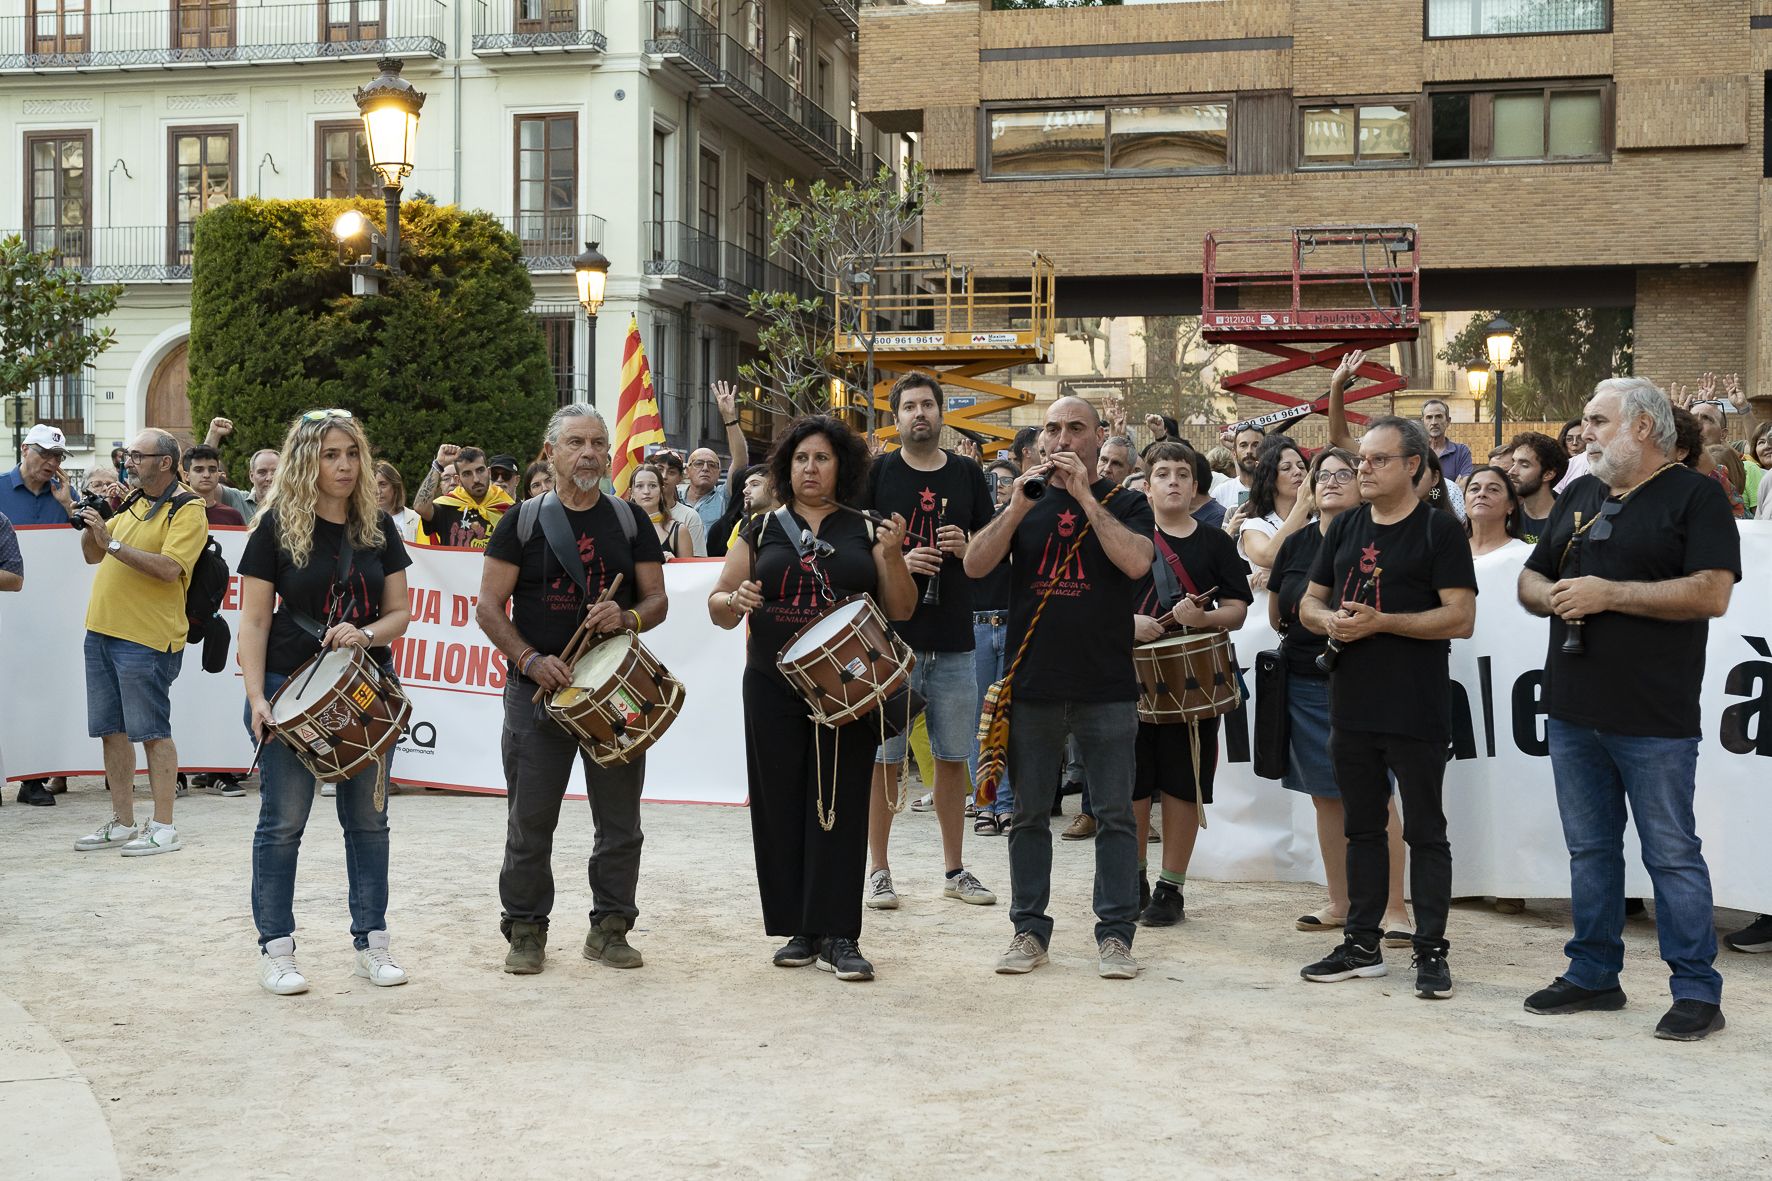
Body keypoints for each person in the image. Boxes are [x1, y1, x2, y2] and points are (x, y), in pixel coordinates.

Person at [1518, 378, 1739, 1041]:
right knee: (1590, 851)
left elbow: (1711, 592)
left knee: (1671, 853)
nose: (1582, 433)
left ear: (1641, 427)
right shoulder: (1580, 491)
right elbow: (1530, 574)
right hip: (1572, 706)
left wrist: (1608, 594)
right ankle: (1593, 973)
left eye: (1596, 420)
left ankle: (1697, 989)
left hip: (1653, 714)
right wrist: (1556, 595)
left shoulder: (1697, 496)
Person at [707, 414, 914, 982]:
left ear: (841, 466)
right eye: (801, 459)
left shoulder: (866, 529)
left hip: (847, 687)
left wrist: (894, 557)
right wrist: (736, 599)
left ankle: (840, 934)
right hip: (772, 686)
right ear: (786, 467)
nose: (810, 468)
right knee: (781, 803)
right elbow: (718, 607)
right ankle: (800, 927)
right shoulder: (759, 529)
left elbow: (901, 609)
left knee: (841, 801)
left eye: (822, 458)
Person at [963, 396, 1156, 980]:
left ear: (1100, 439)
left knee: (1116, 816)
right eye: (1053, 429)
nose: (1064, 438)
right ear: (1039, 441)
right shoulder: (1025, 500)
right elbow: (974, 564)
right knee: (1027, 815)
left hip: (1106, 684)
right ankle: (1028, 930)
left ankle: (1116, 936)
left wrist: (1084, 499)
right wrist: (1019, 507)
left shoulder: (1127, 503)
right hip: (1035, 684)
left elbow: (1137, 564)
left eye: (1077, 428)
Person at [476, 404, 669, 977]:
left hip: (612, 693)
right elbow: (488, 609)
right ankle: (526, 930)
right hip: (535, 690)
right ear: (551, 452)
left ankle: (611, 928)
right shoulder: (521, 522)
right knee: (530, 819)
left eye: (598, 443)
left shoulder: (630, 520)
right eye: (576, 443)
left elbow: (656, 600)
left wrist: (627, 617)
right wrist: (530, 659)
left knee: (620, 820)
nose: (589, 453)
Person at [1297, 416, 1476, 999]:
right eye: (1359, 461)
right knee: (1363, 829)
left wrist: (1382, 624)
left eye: (1377, 460)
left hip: (1416, 706)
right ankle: (1361, 943)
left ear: (1414, 467)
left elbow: (1460, 617)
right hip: (1350, 704)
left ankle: (1430, 950)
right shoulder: (1345, 526)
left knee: (1426, 831)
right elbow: (1307, 604)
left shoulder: (1439, 531)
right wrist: (1332, 623)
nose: (1361, 470)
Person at [238, 409, 414, 995]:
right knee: (283, 823)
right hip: (291, 691)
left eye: (351, 454)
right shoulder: (274, 530)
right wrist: (257, 698)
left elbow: (399, 615)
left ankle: (373, 941)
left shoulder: (378, 528)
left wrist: (365, 634)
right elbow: (256, 620)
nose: (343, 465)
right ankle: (276, 949)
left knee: (369, 822)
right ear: (305, 461)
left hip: (364, 690)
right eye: (330, 455)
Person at [862, 373, 998, 911]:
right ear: (896, 419)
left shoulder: (967, 473)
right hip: (890, 642)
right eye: (909, 406)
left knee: (951, 756)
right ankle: (878, 870)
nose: (920, 413)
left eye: (928, 405)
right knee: (883, 758)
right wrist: (895, 558)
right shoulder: (877, 472)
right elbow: (855, 546)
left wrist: (967, 545)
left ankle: (954, 868)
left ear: (942, 414)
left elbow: (991, 548)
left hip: (955, 637)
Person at [1268, 447, 1412, 939]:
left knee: (1377, 798)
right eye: (1321, 475)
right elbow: (1278, 614)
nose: (1330, 482)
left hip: (1368, 679)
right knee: (1325, 799)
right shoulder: (1296, 544)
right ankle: (1341, 901)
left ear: (1364, 480)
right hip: (1304, 682)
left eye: (1343, 474)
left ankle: (1395, 908)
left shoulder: (1381, 537)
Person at [71, 429, 210, 857]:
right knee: (112, 732)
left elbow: (169, 569)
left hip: (147, 638)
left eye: (137, 455)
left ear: (165, 462)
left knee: (152, 733)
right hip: (103, 631)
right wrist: (93, 521)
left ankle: (164, 826)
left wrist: (110, 539)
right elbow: (93, 555)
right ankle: (123, 821)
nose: (128, 461)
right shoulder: (134, 499)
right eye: (129, 454)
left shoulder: (188, 508)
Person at [1130, 441, 1251, 925]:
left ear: (1196, 484)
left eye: (1183, 473)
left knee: (1184, 784)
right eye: (1163, 473)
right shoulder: (1126, 537)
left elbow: (1239, 611)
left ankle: (1170, 889)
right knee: (1132, 785)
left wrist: (1202, 618)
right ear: (1147, 486)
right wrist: (1127, 623)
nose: (1174, 481)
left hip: (1195, 681)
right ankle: (1131, 878)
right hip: (1132, 675)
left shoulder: (1215, 542)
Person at [970, 458, 1019, 836]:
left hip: (1013, 620)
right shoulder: (973, 522)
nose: (999, 488)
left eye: (1006, 482)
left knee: (1009, 718)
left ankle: (1004, 802)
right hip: (978, 623)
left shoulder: (1022, 517)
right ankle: (987, 802)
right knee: (981, 719)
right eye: (992, 482)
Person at [1236, 436, 1310, 582]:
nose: (1297, 472)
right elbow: (1269, 556)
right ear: (1269, 478)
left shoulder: (1321, 520)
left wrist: (1280, 576)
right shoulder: (1255, 525)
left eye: (1301, 466)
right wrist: (1303, 504)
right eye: (1286, 468)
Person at [415, 445, 513, 548]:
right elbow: (420, 507)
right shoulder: (447, 507)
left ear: (488, 472)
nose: (476, 479)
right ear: (458, 480)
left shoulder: (508, 508)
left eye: (480, 470)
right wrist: (437, 465)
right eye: (467, 474)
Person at [1, 424, 76, 525]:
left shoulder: (67, 494)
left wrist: (68, 504)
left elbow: (88, 536)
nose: (53, 463)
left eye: (58, 457)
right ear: (25, 450)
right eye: (45, 453)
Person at [1505, 432, 1567, 542]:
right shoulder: (1508, 518)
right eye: (1513, 463)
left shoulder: (1569, 521)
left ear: (1548, 474)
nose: (1511, 471)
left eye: (1524, 465)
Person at [649, 448, 707, 557]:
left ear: (680, 478)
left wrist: (676, 562)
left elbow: (697, 563)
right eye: (659, 469)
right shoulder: (633, 513)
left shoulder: (690, 516)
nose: (664, 476)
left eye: (671, 472)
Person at [629, 463, 693, 559]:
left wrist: (675, 563)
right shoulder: (622, 528)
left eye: (653, 486)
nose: (646, 491)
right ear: (632, 493)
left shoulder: (679, 531)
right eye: (639, 486)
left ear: (661, 490)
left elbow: (689, 572)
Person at [1465, 465, 1525, 557]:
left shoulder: (1523, 553)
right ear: (1464, 502)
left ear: (1511, 505)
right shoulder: (1448, 549)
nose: (1481, 494)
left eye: (1493, 489)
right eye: (1474, 489)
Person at [183, 446, 246, 526]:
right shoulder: (175, 513)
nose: (206, 475)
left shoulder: (232, 516)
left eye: (212, 470)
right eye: (199, 470)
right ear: (186, 476)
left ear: (218, 474)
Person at [1209, 426, 1263, 515]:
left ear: (1265, 450)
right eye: (1243, 445)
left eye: (1256, 445)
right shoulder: (1221, 491)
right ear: (1234, 453)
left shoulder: (1277, 490)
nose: (1249, 451)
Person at [1421, 398, 1472, 482]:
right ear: (1423, 422)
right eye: (1429, 417)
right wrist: (1453, 488)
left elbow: (1464, 484)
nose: (1434, 422)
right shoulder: (1416, 452)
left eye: (1438, 417)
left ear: (1448, 421)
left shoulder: (1461, 452)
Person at [374, 460, 425, 542]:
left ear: (395, 487)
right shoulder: (362, 522)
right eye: (372, 485)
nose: (378, 491)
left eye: (383, 484)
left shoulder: (417, 519)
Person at [683, 447, 729, 536]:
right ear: (687, 471)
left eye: (712, 465)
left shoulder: (724, 496)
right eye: (699, 463)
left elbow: (740, 462)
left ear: (719, 473)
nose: (705, 468)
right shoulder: (674, 495)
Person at [243, 448, 280, 516]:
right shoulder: (237, 500)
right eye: (262, 472)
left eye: (275, 472)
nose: (269, 478)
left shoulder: (295, 505)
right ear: (251, 476)